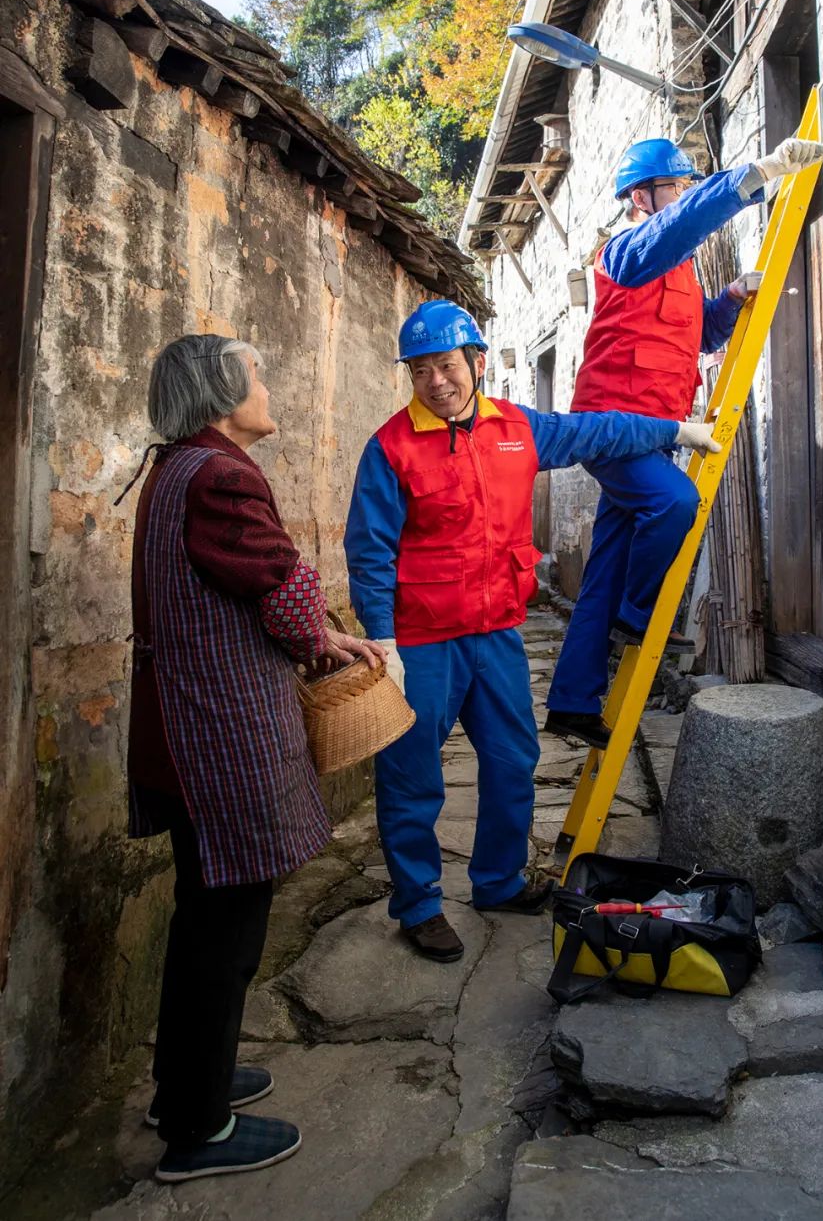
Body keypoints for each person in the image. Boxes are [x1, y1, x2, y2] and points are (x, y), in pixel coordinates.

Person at [344, 300, 720, 962]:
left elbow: (598, 433)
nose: (437, 381)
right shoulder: (391, 448)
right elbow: (370, 550)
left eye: (448, 365)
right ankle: (419, 905)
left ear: (477, 363)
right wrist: (384, 643)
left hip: (495, 634)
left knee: (515, 763)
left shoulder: (517, 428)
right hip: (422, 639)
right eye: (422, 370)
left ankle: (496, 881)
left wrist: (674, 432)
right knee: (411, 777)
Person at [125, 334, 383, 1184]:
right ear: (222, 393)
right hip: (219, 739)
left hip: (186, 733)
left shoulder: (175, 470)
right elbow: (280, 581)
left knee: (207, 915)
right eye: (256, 374)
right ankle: (196, 1130)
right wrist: (322, 638)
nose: (267, 385)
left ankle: (183, 1085)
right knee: (224, 926)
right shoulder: (224, 475)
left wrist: (314, 632)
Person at [544, 134, 823, 749]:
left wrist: (728, 298)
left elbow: (701, 337)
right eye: (677, 187)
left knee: (604, 569)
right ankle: (637, 619)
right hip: (616, 429)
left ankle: (571, 699)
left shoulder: (677, 269)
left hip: (660, 434)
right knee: (673, 504)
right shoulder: (626, 251)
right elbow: (685, 224)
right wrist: (758, 172)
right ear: (642, 197)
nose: (685, 196)